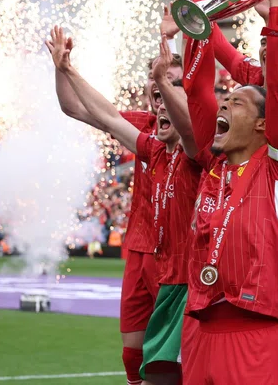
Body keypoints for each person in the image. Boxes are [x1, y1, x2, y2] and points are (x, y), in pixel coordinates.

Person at [47, 27, 198, 385]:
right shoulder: (150, 138)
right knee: (135, 357)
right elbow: (79, 108)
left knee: (172, 367)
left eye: (171, 82)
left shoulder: (198, 144)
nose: (160, 89)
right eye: (156, 80)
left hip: (181, 263)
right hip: (142, 248)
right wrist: (63, 67)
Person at [179, 0, 278, 385]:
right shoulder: (211, 168)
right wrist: (194, 17)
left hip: (255, 331)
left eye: (236, 101)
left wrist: (276, 4)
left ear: (262, 125)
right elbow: (197, 91)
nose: (224, 103)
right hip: (199, 325)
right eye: (226, 99)